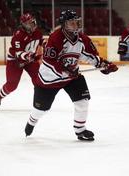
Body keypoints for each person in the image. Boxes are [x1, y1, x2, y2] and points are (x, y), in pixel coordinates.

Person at [24, 9, 118, 141]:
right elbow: (49, 61)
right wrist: (66, 70)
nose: (75, 25)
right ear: (64, 24)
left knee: (82, 101)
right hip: (49, 80)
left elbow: (89, 55)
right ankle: (32, 121)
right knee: (41, 109)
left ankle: (80, 130)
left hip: (71, 77)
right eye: (71, 23)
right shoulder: (55, 37)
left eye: (76, 22)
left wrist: (103, 65)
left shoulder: (83, 39)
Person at [0, 13, 44, 108]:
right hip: (15, 61)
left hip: (29, 60)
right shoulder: (18, 35)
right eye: (28, 23)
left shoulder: (38, 32)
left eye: (32, 22)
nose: (31, 24)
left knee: (38, 80)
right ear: (23, 25)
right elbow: (18, 53)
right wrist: (30, 56)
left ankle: (39, 101)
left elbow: (42, 42)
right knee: (12, 85)